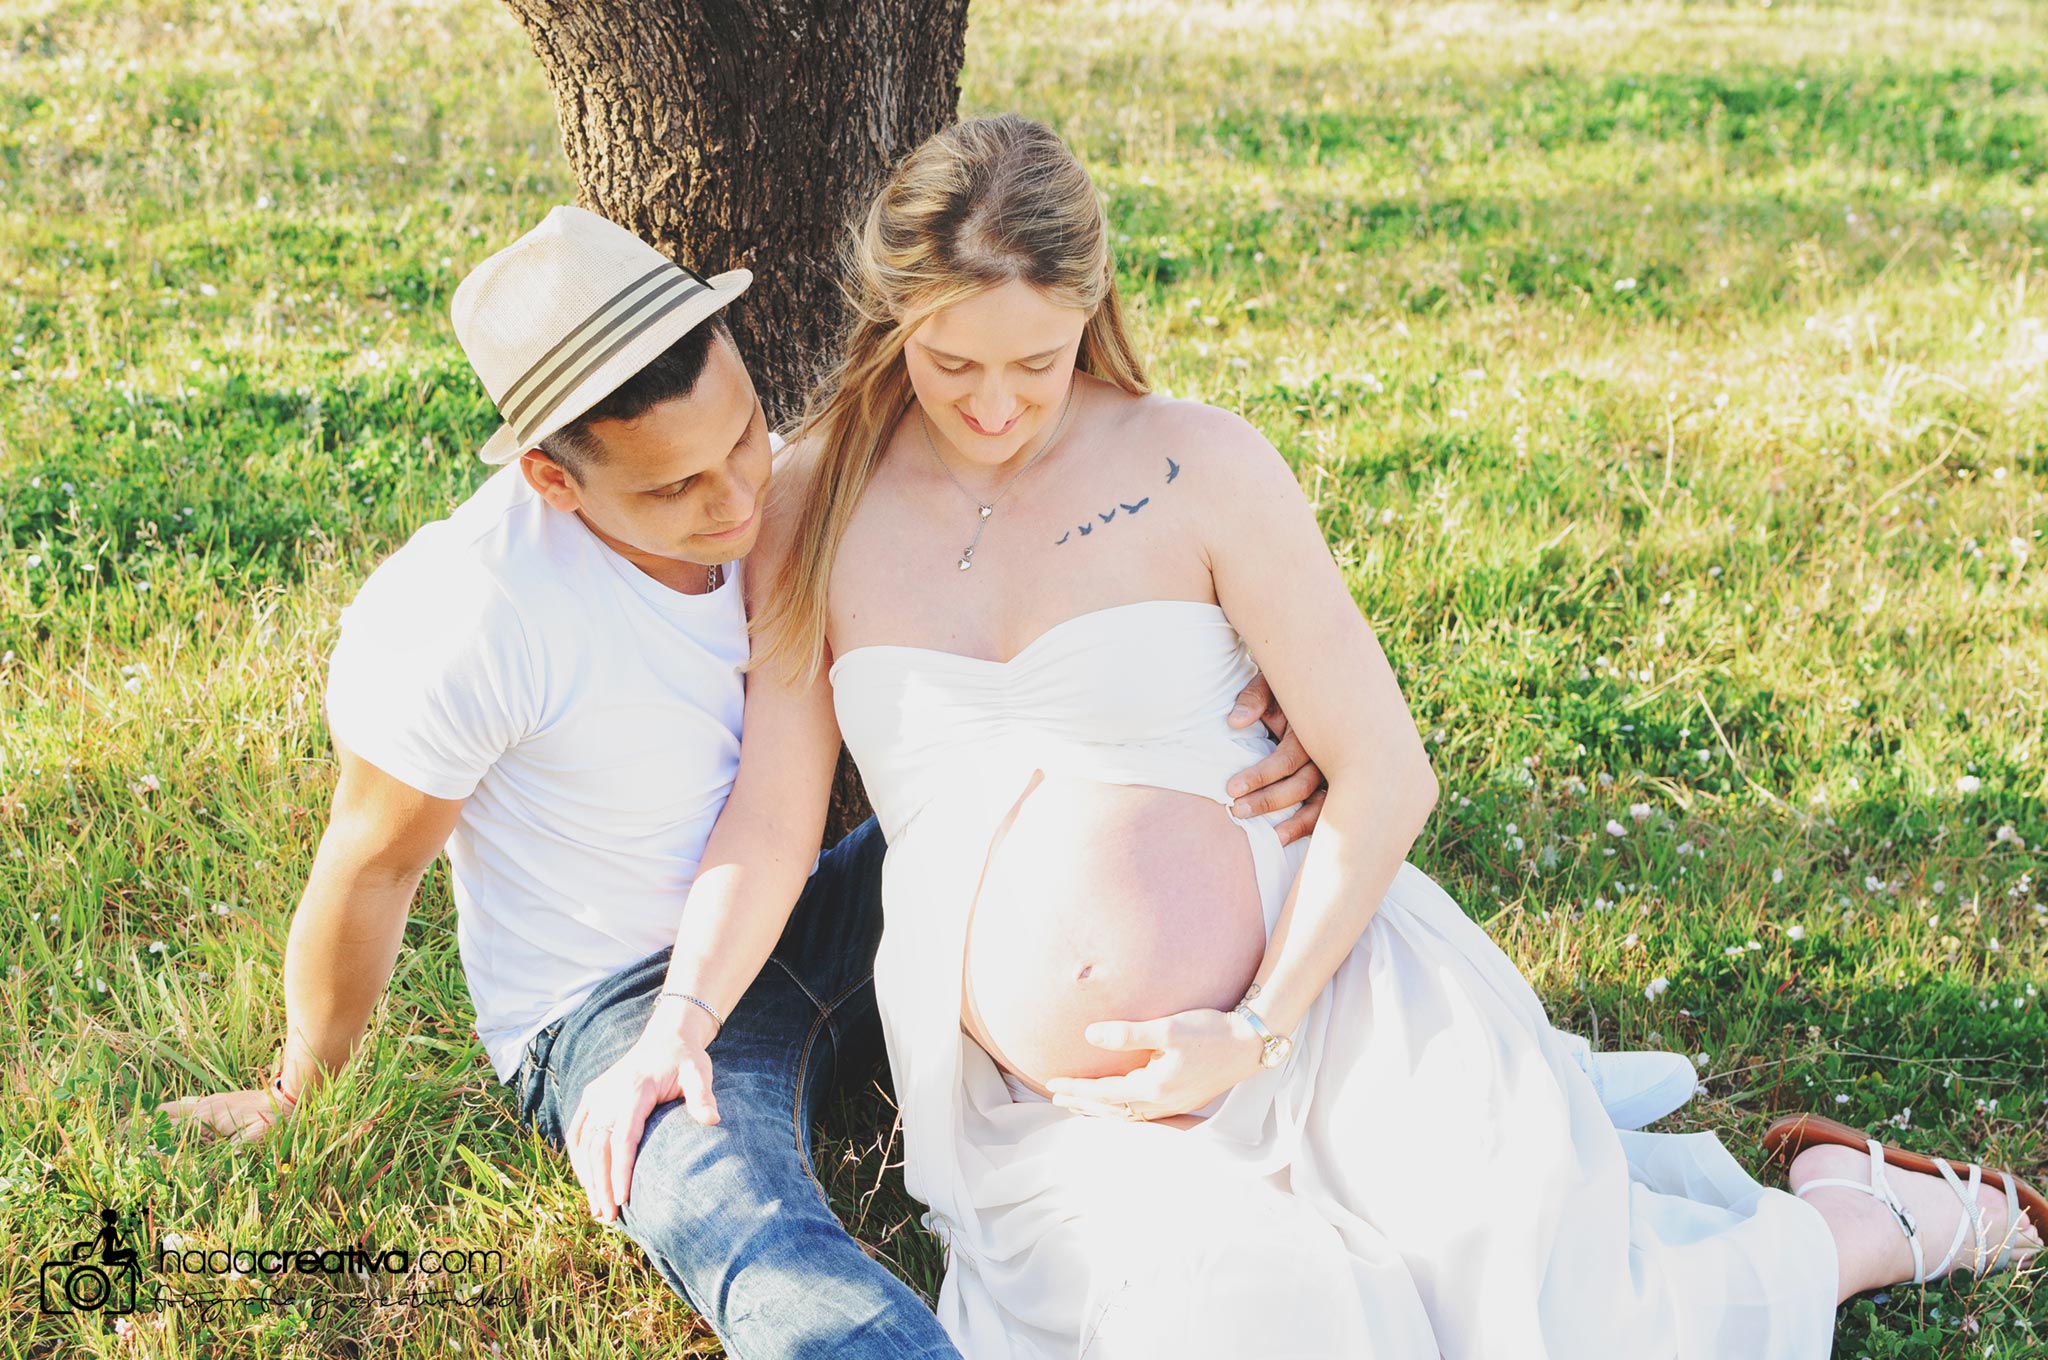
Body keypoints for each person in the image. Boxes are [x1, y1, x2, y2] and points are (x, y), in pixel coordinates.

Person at [696, 114, 2043, 1357]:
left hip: (1326, 998)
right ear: (894, 324)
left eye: (1034, 365)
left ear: (1092, 312)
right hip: (1076, 1112)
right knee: (1254, 1319)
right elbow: (770, 813)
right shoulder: (818, 498)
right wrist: (681, 1020)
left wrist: (1258, 1028)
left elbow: (1387, 772)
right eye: (953, 366)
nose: (993, 406)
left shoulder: (1194, 462)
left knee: (1557, 1320)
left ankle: (1860, 1222)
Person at [149, 205, 1327, 1359]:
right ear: (557, 485)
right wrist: (302, 1083)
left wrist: (1234, 703)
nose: (736, 500)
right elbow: (371, 863)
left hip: (817, 904)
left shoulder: (788, 484)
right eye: (675, 489)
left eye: (744, 435)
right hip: (616, 998)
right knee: (764, 1248)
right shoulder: (467, 621)